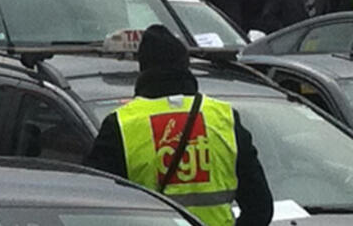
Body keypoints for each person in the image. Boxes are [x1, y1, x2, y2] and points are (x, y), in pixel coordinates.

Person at [85, 25, 273, 226]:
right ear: (185, 65)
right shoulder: (223, 117)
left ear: (144, 67)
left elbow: (98, 206)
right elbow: (260, 207)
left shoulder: (121, 124)